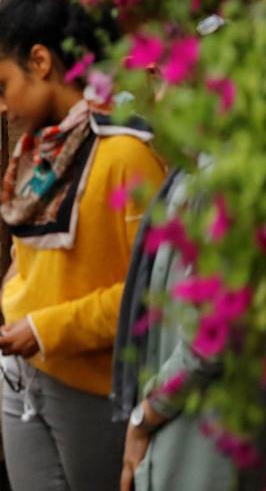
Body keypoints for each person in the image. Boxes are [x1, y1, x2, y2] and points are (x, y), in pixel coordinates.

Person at [0, 0, 166, 491]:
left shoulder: (126, 155)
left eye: (2, 86)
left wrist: (47, 326)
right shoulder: (39, 145)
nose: (0, 106)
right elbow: (29, 250)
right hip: (24, 373)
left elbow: (149, 296)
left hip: (94, 389)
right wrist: (16, 296)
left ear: (40, 62)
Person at [112, 171, 247, 491]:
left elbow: (214, 333)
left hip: (203, 441)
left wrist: (146, 416)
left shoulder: (224, 176)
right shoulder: (192, 170)